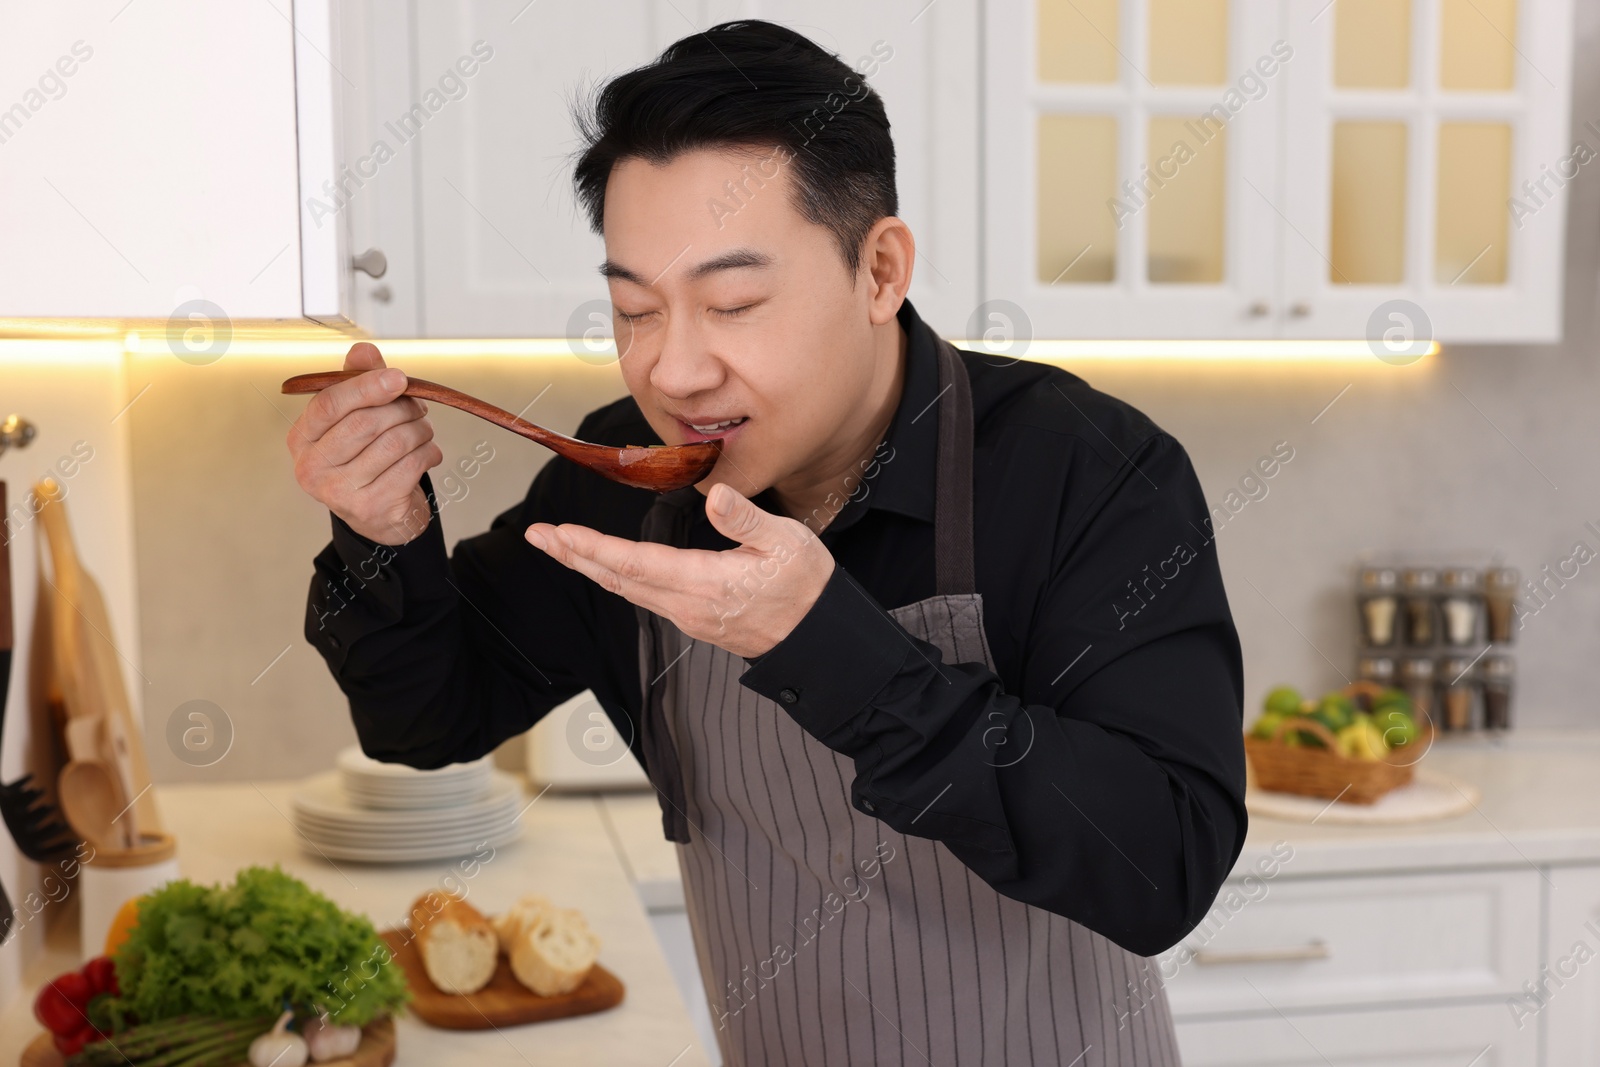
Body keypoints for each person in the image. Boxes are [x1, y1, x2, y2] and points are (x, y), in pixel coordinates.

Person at [287, 20, 1246, 1067]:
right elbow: (424, 717)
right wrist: (385, 536)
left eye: (733, 302)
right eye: (633, 309)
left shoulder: (1085, 470)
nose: (673, 371)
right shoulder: (621, 479)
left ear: (879, 271)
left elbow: (1162, 863)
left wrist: (828, 648)